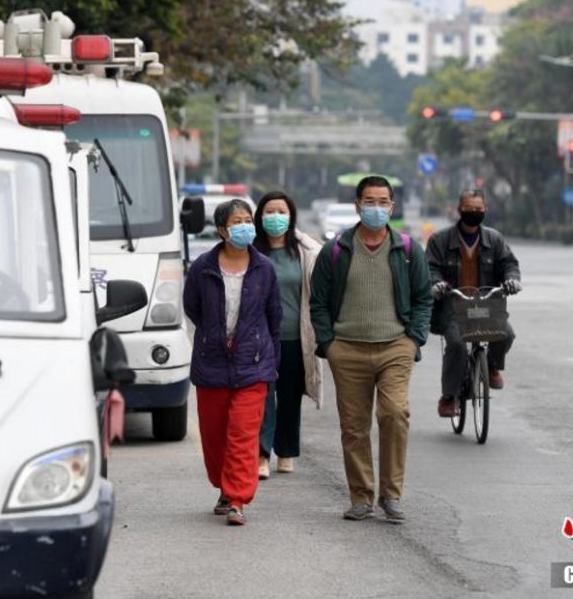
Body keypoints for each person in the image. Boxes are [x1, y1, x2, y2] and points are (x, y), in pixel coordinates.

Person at [309, 176, 432, 523]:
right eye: (369, 201)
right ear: (357, 205)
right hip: (346, 350)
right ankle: (361, 496)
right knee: (354, 426)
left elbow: (424, 299)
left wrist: (413, 339)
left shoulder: (408, 250)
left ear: (392, 207)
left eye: (382, 202)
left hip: (395, 347)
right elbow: (317, 301)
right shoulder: (335, 250)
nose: (376, 208)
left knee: (394, 414)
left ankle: (391, 495)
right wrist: (328, 344)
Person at [183, 199, 282, 526]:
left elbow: (273, 318)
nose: (245, 226)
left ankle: (238, 498)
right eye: (237, 221)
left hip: (253, 365)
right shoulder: (202, 267)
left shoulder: (264, 268)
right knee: (214, 437)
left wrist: (272, 362)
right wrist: (214, 336)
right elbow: (193, 308)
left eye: (248, 220)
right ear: (223, 229)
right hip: (212, 364)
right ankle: (224, 487)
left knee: (242, 434)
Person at [426, 189, 522, 419]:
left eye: (478, 209)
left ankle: (491, 366)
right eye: (468, 208)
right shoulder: (440, 240)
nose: (473, 213)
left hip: (487, 304)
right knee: (458, 345)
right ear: (459, 210)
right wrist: (437, 284)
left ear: (485, 211)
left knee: (506, 334)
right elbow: (430, 268)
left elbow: (509, 263)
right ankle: (449, 396)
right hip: (453, 306)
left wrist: (512, 280)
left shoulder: (494, 239)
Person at [252, 191, 325, 479]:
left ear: (291, 216)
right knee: (262, 397)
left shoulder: (306, 251)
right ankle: (261, 454)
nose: (275, 217)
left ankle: (286, 452)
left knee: (290, 397)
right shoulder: (252, 250)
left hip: (296, 337)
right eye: (269, 211)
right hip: (261, 339)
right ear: (260, 216)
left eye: (281, 211)